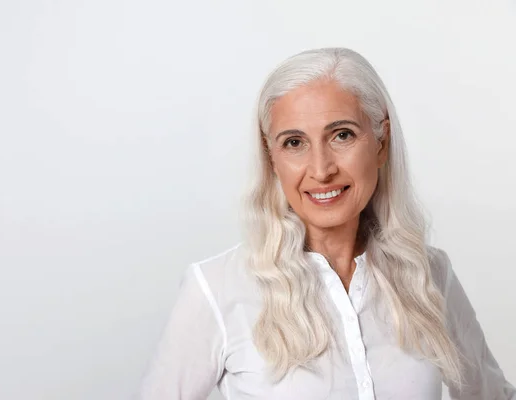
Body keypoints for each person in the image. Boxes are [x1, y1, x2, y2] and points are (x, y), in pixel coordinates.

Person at [137, 48, 516, 399]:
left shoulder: (429, 275)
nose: (321, 170)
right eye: (294, 143)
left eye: (342, 135)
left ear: (381, 143)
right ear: (272, 159)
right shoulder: (217, 289)